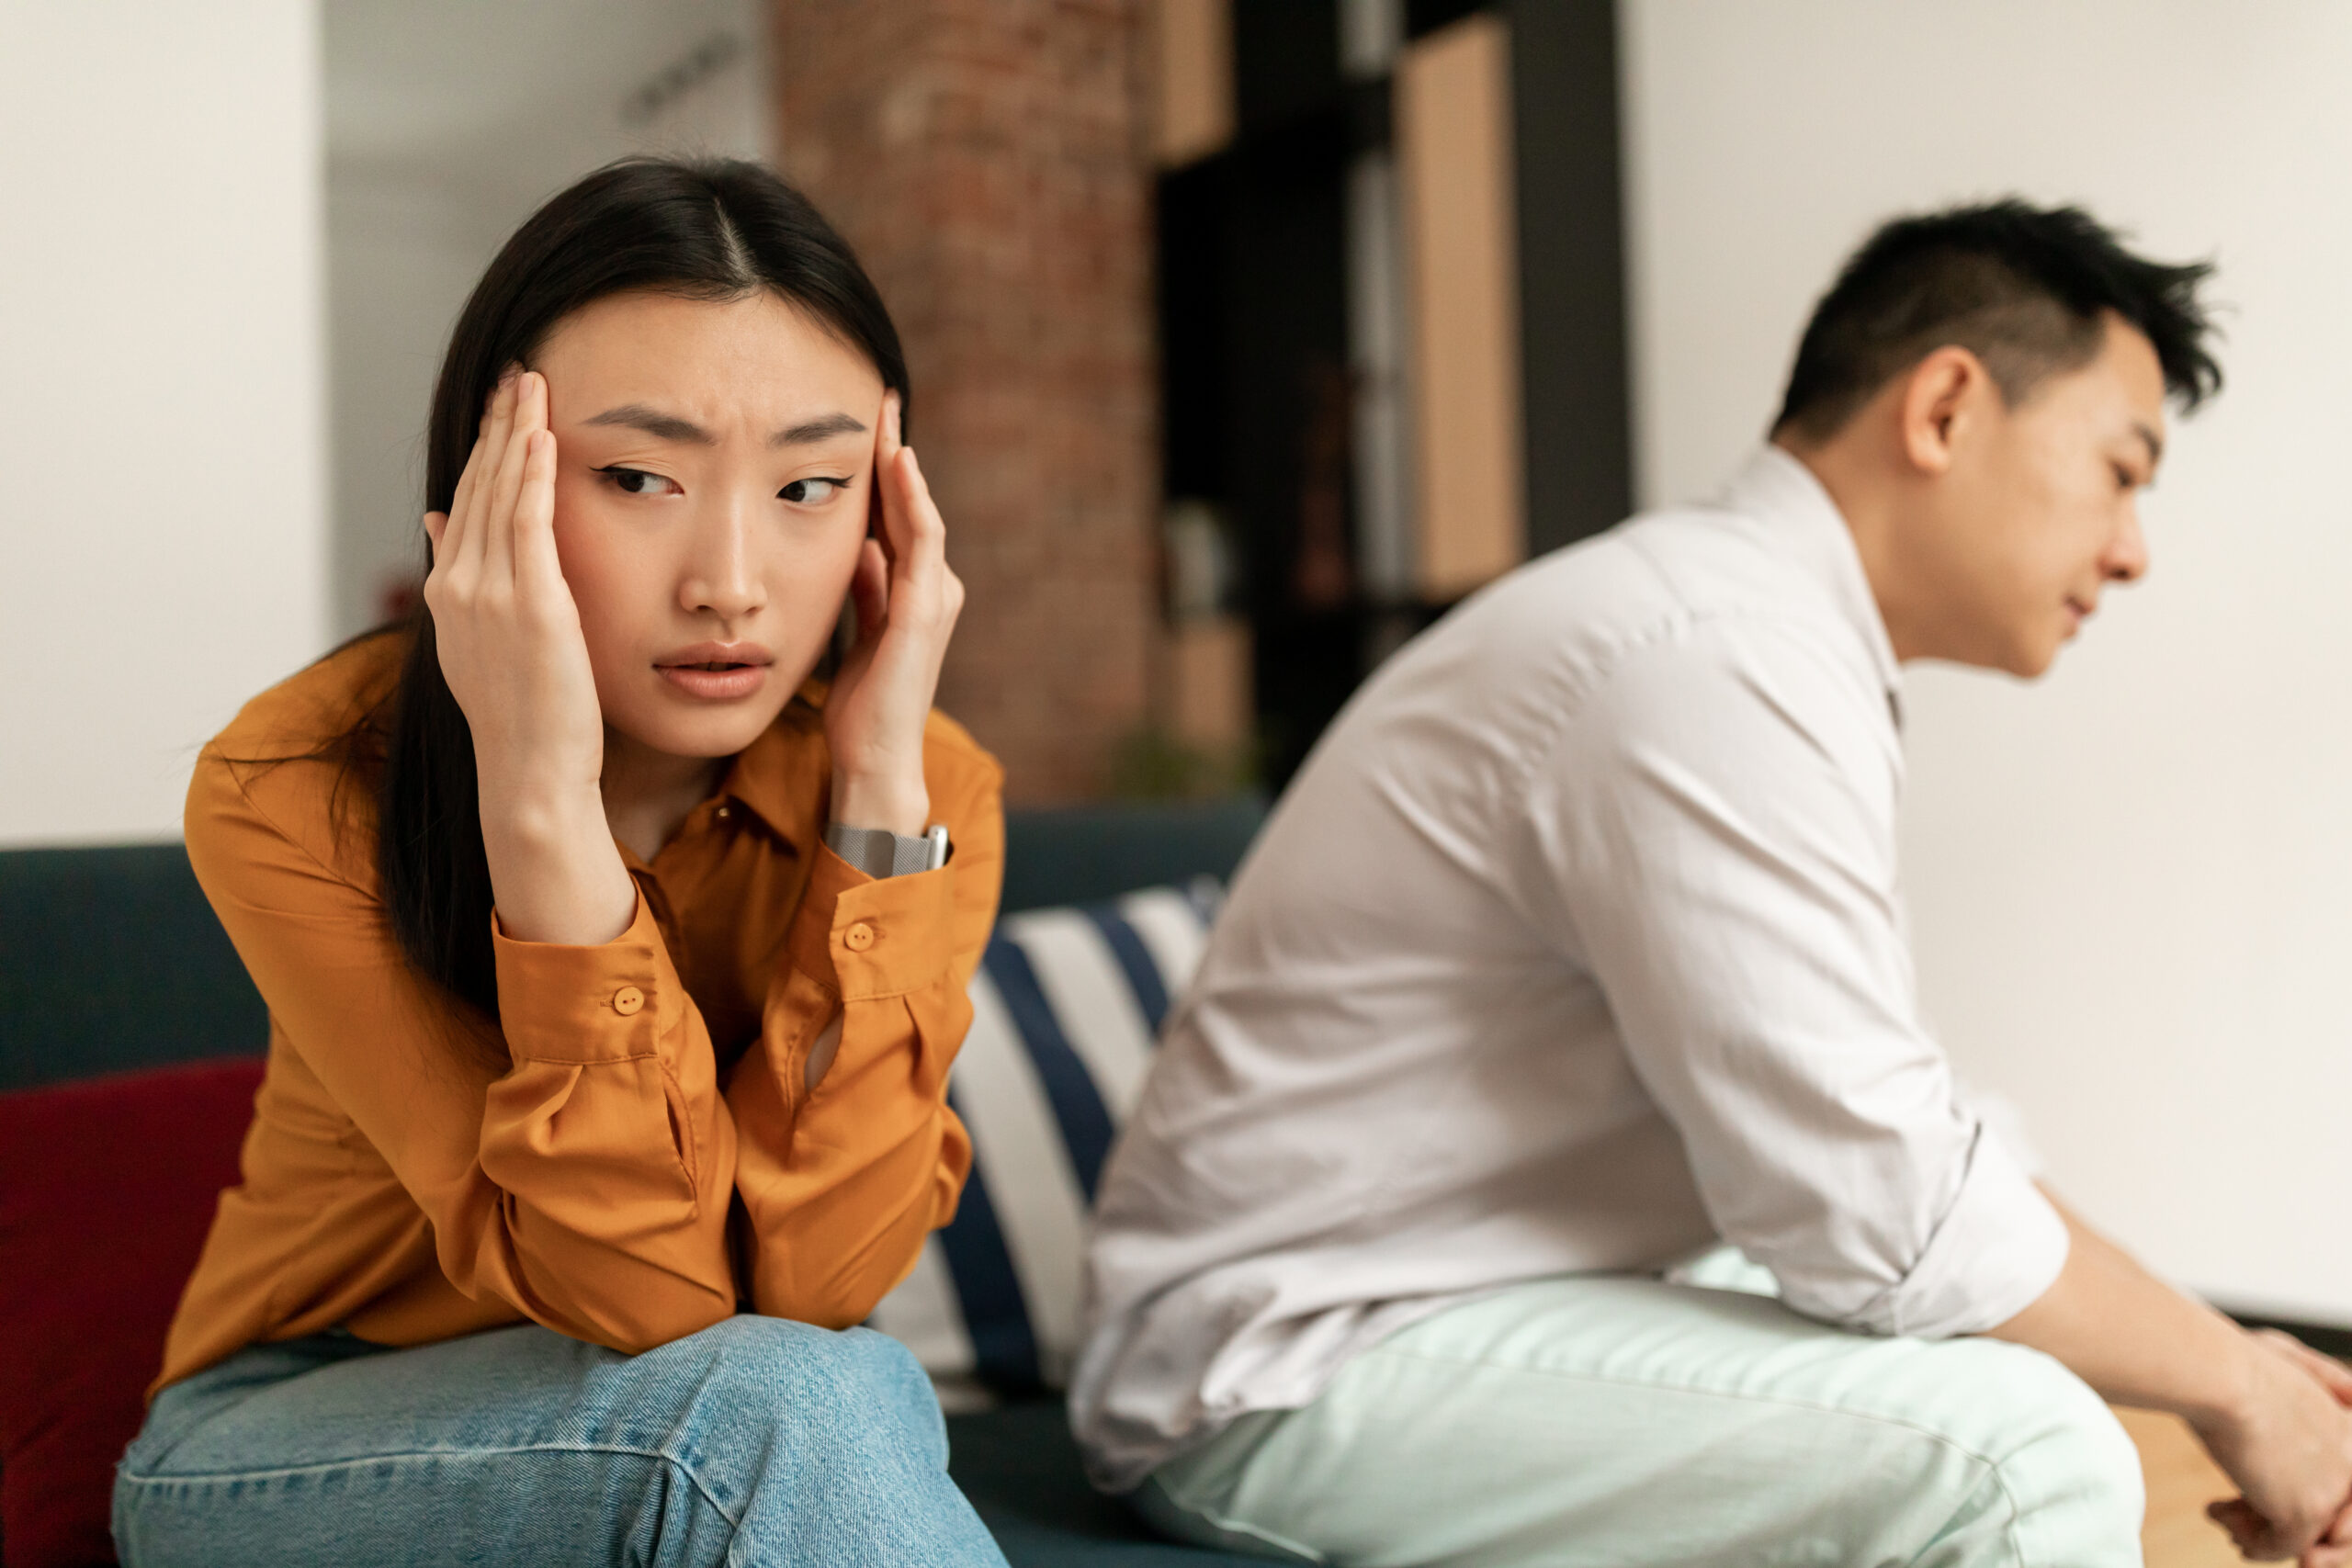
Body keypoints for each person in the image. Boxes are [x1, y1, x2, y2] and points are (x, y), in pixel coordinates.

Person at [1074, 200, 2352, 1567]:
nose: (2133, 549)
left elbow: (1912, 1143)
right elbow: (1885, 1206)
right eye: (2120, 469)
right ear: (1945, 408)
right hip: (1283, 1359)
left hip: (1481, 1293)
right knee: (2022, 1463)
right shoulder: (1712, 653)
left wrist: (2234, 1362)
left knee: (1953, 1334)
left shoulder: (1749, 639)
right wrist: (2236, 1384)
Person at [112, 159, 1011, 1567]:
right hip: (286, 1442)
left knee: (818, 1390)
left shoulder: (923, 792)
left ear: (888, 516)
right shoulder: (296, 786)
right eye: (639, 476)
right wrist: (537, 802)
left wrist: (883, 793)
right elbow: (645, 1296)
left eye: (811, 485)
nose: (730, 578)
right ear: (489, 488)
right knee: (784, 1409)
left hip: (708, 1415)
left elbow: (829, 1278)